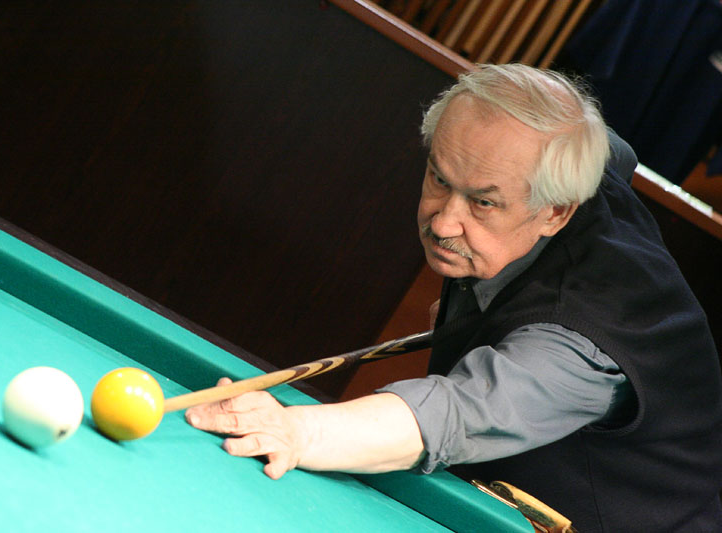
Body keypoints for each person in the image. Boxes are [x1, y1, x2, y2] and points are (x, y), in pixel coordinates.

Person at [184, 64, 722, 532]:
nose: (443, 222)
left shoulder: (580, 342)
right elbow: (616, 152)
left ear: (557, 211)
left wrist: (296, 432)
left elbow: (458, 412)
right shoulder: (582, 161)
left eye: (483, 203)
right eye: (440, 179)